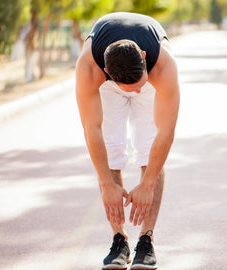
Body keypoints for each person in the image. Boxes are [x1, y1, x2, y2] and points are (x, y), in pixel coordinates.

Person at [75, 12, 179, 270]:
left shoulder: (163, 65)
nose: (136, 90)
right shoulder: (90, 68)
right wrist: (106, 183)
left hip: (151, 73)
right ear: (107, 71)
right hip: (110, 83)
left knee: (148, 147)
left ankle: (146, 239)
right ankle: (119, 239)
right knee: (109, 152)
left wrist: (148, 183)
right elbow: (92, 128)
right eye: (129, 87)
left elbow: (165, 132)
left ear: (143, 57)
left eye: (138, 84)